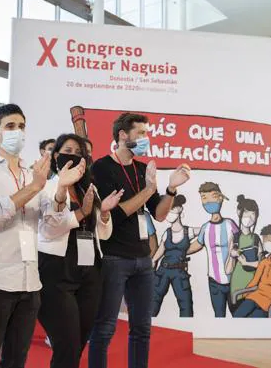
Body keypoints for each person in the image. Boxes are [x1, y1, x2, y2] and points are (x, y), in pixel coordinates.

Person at [0, 104, 87, 368]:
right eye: (10, 126)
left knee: (16, 359)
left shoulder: (33, 172)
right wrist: (35, 187)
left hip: (30, 281)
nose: (18, 132)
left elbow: (52, 221)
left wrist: (60, 190)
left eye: (21, 126)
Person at [89, 112, 191, 368]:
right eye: (141, 133)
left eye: (147, 133)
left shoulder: (143, 169)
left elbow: (158, 213)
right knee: (104, 329)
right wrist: (147, 190)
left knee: (142, 329)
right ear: (123, 135)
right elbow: (117, 212)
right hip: (114, 258)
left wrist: (170, 189)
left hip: (143, 260)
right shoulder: (101, 167)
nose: (146, 139)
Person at [38, 133, 123, 368]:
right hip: (56, 271)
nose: (73, 156)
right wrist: (79, 210)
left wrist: (103, 214)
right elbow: (49, 229)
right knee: (66, 343)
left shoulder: (89, 189)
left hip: (90, 271)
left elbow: (101, 233)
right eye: (68, 150)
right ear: (56, 155)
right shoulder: (45, 187)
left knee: (79, 342)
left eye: (79, 153)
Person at [187, 182, 239, 318]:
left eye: (213, 196)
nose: (209, 201)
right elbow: (196, 245)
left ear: (221, 198)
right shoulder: (206, 228)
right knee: (219, 316)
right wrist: (175, 249)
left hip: (234, 279)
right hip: (214, 281)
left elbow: (241, 243)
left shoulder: (230, 225)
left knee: (237, 315)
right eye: (204, 198)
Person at [151, 195, 200, 317]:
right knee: (153, 302)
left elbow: (205, 232)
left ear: (179, 210)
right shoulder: (167, 233)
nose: (168, 213)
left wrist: (188, 250)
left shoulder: (189, 231)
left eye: (171, 209)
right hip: (163, 271)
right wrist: (153, 261)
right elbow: (161, 249)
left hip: (180, 271)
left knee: (186, 304)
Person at [234, 224, 271, 318]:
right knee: (237, 315)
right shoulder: (264, 263)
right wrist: (245, 295)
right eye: (265, 238)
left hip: (270, 304)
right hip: (255, 297)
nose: (268, 241)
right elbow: (254, 282)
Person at [225, 195, 262, 313]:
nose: (250, 218)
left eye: (253, 214)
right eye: (247, 213)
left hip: (254, 288)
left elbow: (263, 264)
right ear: (239, 212)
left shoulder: (256, 239)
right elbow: (227, 270)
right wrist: (232, 255)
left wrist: (246, 263)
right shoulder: (234, 238)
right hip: (236, 287)